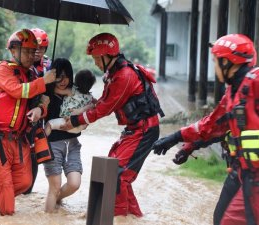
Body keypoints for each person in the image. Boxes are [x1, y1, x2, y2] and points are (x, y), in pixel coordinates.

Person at [152, 34, 259, 225]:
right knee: (223, 220)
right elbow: (211, 125)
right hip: (244, 172)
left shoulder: (255, 83)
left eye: (215, 61)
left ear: (227, 62)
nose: (214, 67)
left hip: (253, 175)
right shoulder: (234, 92)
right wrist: (179, 140)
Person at [61, 33, 164, 217]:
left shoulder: (124, 75)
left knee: (117, 175)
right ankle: (133, 216)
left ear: (106, 55)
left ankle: (115, 217)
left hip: (144, 130)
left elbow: (106, 108)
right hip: (134, 129)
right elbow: (103, 103)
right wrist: (84, 110)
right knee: (113, 172)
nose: (95, 63)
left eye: (96, 58)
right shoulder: (114, 73)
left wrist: (76, 121)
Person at [0, 28, 56, 215]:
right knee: (7, 207)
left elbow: (42, 101)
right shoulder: (2, 70)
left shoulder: (30, 75)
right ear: (13, 51)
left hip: (19, 138)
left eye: (33, 52)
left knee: (25, 182)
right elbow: (18, 91)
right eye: (27, 51)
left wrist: (40, 109)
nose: (31, 56)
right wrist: (44, 81)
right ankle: (1, 204)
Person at [43, 58, 84, 213]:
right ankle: (49, 218)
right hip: (52, 145)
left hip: (72, 144)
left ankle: (57, 199)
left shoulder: (77, 93)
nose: (62, 81)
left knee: (74, 183)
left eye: (66, 76)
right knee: (53, 187)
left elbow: (91, 106)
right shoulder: (46, 92)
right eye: (58, 76)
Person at [23, 27, 52, 195]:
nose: (37, 52)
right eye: (35, 48)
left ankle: (27, 191)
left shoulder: (47, 67)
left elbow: (49, 96)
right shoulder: (20, 64)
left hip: (39, 114)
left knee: (34, 153)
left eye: (42, 49)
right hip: (21, 113)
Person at [45, 69, 96, 135]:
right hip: (80, 124)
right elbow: (95, 105)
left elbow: (55, 90)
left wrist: (48, 82)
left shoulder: (71, 91)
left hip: (66, 122)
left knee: (49, 124)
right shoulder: (90, 97)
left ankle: (43, 142)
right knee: (90, 107)